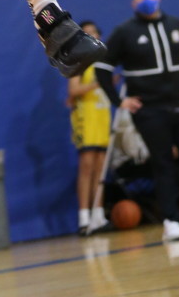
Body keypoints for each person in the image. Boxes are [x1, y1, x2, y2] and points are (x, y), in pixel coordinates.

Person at [95, 0, 179, 241]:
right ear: (133, 2)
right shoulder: (125, 32)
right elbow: (103, 68)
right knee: (162, 162)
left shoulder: (176, 25)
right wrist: (119, 101)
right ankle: (171, 221)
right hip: (149, 111)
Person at [67, 22, 111, 235]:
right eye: (87, 33)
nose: (92, 35)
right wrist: (98, 84)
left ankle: (98, 215)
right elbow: (74, 89)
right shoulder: (79, 60)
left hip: (103, 115)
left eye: (95, 32)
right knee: (87, 167)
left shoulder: (105, 61)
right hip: (86, 116)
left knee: (101, 168)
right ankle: (84, 217)